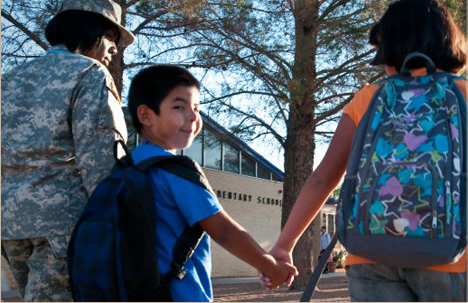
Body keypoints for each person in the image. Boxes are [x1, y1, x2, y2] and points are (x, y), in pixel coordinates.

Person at [260, 0, 467, 301]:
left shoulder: (369, 98)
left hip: (371, 252)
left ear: (395, 46)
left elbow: (323, 178)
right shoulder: (461, 94)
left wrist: (284, 245)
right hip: (449, 252)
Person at [127, 65, 298, 301]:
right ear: (145, 115)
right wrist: (272, 267)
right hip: (180, 295)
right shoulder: (177, 171)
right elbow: (225, 231)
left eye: (196, 108)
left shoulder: (127, 166)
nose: (193, 116)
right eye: (179, 107)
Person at [1, 0, 135, 301]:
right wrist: (120, 228)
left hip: (9, 224)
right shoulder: (91, 73)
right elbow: (100, 162)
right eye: (111, 37)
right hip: (64, 226)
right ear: (91, 30)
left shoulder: (7, 80)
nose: (114, 49)